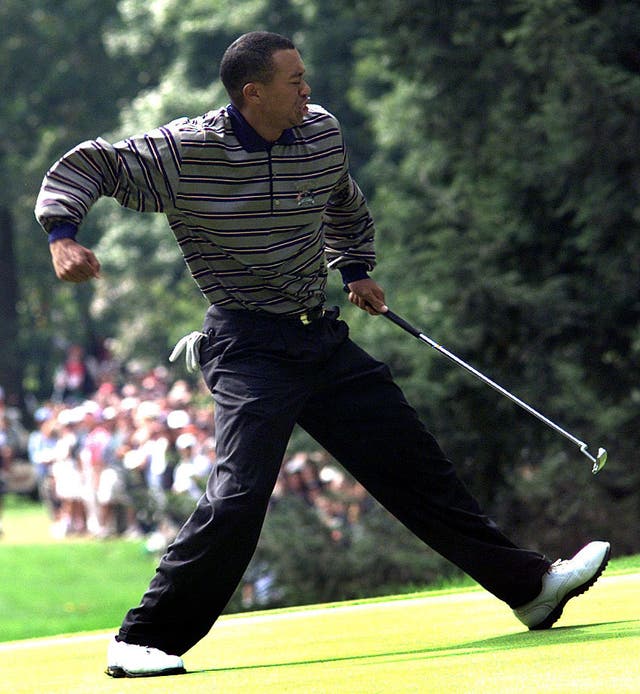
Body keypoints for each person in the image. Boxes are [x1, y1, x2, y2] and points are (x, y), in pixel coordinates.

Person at [35, 31, 610, 679]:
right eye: (293, 81)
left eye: (305, 76)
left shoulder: (319, 132)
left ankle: (528, 588)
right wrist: (63, 238)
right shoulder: (185, 152)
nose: (307, 90)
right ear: (253, 93)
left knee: (413, 465)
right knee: (240, 494)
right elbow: (88, 165)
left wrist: (356, 265)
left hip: (320, 335)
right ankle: (144, 639)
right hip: (248, 344)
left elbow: (341, 199)